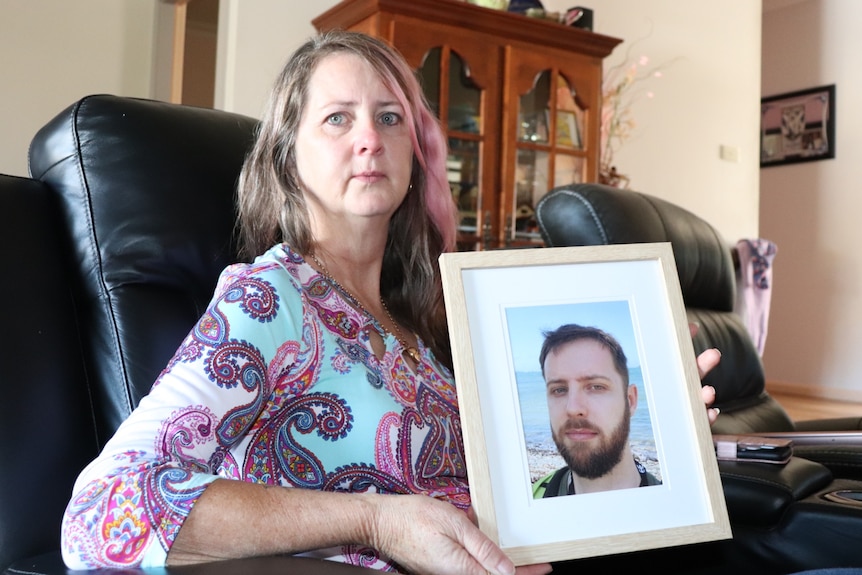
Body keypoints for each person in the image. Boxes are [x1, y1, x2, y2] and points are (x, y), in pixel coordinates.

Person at [60, 30, 720, 575]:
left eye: (389, 117)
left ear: (414, 154)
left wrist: (656, 419)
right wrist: (376, 520)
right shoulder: (269, 296)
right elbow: (101, 513)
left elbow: (525, 491)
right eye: (337, 118)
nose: (369, 138)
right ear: (288, 157)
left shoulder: (418, 327)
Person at [532, 324, 658, 498]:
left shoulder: (681, 505)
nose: (573, 408)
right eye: (559, 390)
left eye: (596, 387)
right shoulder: (529, 503)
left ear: (630, 401)